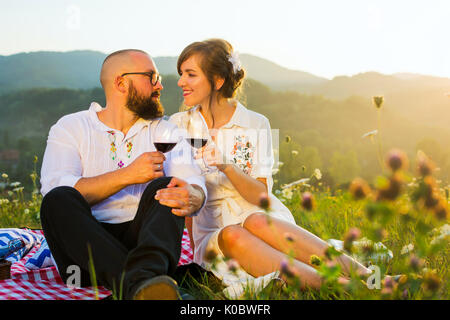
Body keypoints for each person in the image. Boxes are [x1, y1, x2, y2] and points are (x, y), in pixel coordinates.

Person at [170, 39, 375, 296]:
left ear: (218, 80)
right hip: (213, 233)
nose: (180, 82)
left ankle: (371, 278)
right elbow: (184, 196)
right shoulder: (179, 125)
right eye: (181, 74)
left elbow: (262, 197)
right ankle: (347, 287)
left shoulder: (255, 123)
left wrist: (227, 165)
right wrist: (189, 252)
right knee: (233, 234)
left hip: (260, 218)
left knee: (256, 219)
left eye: (190, 74)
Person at [39, 49, 207, 300]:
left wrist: (192, 196)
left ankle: (139, 287)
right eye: (151, 76)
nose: (159, 84)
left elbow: (192, 182)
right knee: (57, 199)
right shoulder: (71, 126)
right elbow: (55, 186)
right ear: (121, 82)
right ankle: (144, 285)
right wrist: (126, 175)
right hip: (84, 256)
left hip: (146, 246)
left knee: (167, 186)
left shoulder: (165, 130)